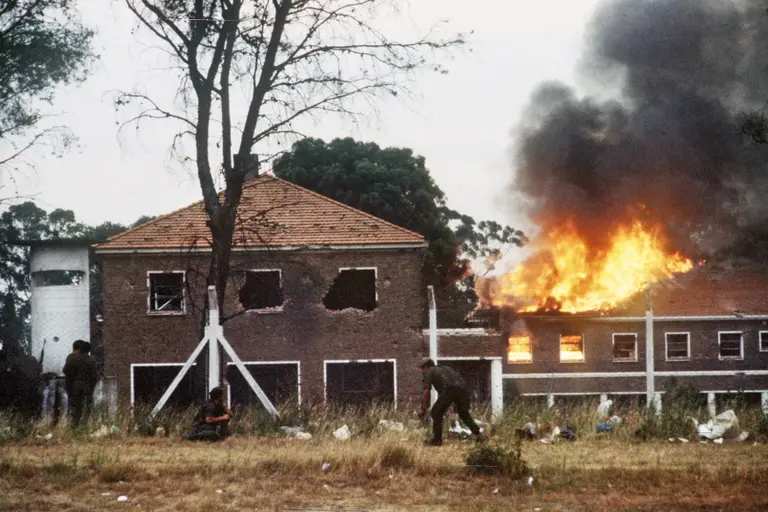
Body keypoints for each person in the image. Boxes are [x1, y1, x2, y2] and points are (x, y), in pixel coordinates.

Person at [417, 358, 483, 446]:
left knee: (436, 413)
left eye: (422, 368)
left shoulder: (430, 371)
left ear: (426, 367)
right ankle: (478, 435)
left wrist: (423, 409)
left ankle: (437, 441)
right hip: (463, 390)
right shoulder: (446, 368)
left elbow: (426, 391)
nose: (422, 371)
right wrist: (456, 403)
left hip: (449, 390)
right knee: (464, 414)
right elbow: (458, 383)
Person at [62, 340, 99, 428]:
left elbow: (66, 370)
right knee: (87, 407)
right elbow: (95, 375)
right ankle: (84, 426)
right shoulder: (91, 360)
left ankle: (73, 426)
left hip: (75, 387)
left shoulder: (73, 358)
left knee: (75, 408)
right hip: (88, 388)